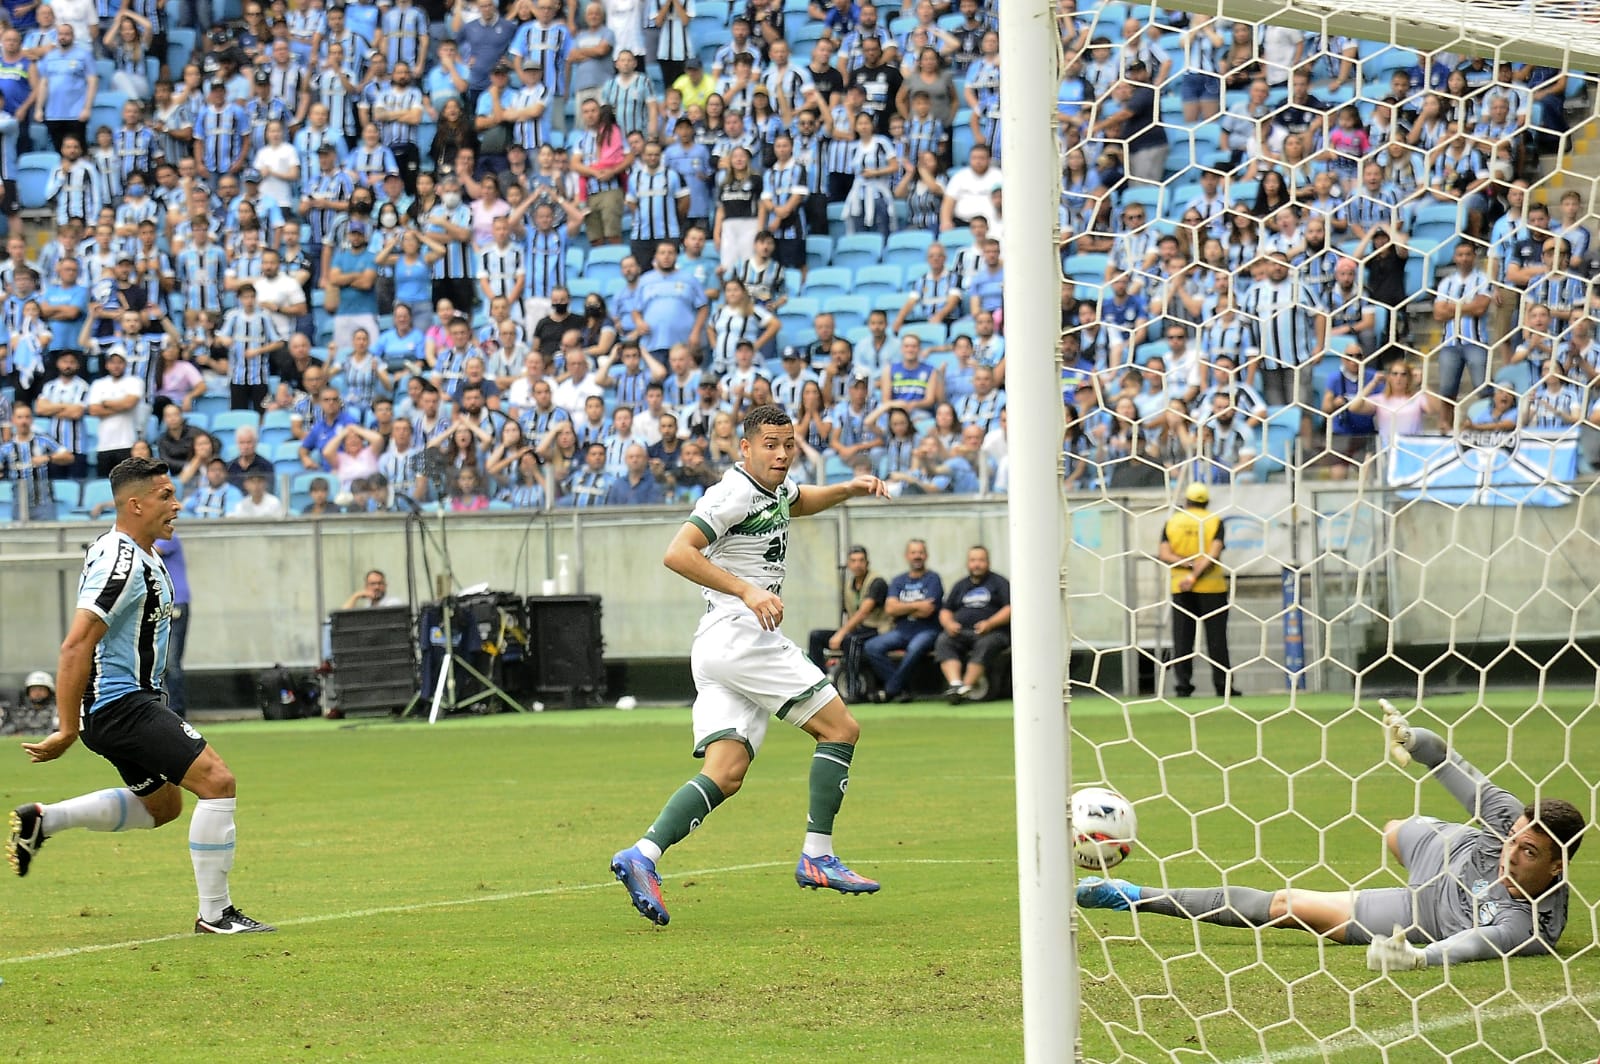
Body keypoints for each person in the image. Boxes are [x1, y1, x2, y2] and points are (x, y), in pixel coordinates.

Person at [610, 404, 890, 926]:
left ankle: (642, 855)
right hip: (743, 634)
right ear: (745, 448)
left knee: (727, 770)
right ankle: (818, 854)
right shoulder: (732, 493)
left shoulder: (774, 490)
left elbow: (802, 501)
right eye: (770, 445)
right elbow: (678, 552)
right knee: (841, 729)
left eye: (788, 444)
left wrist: (850, 489)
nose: (781, 454)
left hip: (719, 644)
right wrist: (747, 589)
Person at [1080, 700, 1586, 972]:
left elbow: (1475, 943)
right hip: (1444, 846)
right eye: (1515, 838)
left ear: (1557, 865)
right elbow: (1447, 762)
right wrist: (1411, 737)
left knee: (1288, 906)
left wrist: (1418, 956)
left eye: (1528, 851)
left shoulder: (1529, 928)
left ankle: (1131, 897)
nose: (1512, 853)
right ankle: (1405, 841)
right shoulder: (1505, 822)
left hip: (1425, 915)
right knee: (1393, 830)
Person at [7, 457, 274, 935]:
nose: (177, 505)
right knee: (218, 781)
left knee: (164, 806)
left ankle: (43, 822)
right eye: (166, 496)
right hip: (121, 704)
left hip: (127, 704)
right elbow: (76, 644)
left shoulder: (137, 551)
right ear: (136, 504)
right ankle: (216, 914)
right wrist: (67, 727)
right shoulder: (122, 561)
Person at [1159, 482, 1234, 699]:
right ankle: (1223, 686)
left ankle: (1183, 686)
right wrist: (1196, 574)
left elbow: (1164, 553)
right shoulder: (1214, 521)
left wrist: (1188, 570)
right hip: (1212, 587)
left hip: (1180, 588)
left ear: (1187, 501)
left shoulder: (1172, 522)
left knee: (1182, 639)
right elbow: (1213, 553)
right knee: (1217, 639)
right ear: (1207, 501)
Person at [862, 538, 946, 703]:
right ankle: (900, 688)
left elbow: (928, 610)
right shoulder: (898, 580)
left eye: (920, 552)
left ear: (926, 555)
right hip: (901, 630)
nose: (917, 556)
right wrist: (917, 605)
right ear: (907, 556)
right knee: (872, 646)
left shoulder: (933, 578)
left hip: (927, 630)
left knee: (915, 649)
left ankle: (890, 689)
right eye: (913, 552)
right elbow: (890, 609)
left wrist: (903, 606)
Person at [805, 546, 890, 702]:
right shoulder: (849, 584)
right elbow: (848, 613)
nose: (857, 564)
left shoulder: (877, 582)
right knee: (816, 636)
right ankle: (821, 683)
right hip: (855, 629)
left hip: (876, 629)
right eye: (853, 561)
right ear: (849, 564)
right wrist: (841, 633)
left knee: (851, 640)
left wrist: (841, 634)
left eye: (861, 561)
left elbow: (863, 612)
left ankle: (852, 691)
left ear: (867, 562)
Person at [934, 545, 1011, 703]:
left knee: (987, 644)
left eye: (981, 560)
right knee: (943, 640)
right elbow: (945, 610)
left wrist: (990, 623)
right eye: (973, 560)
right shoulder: (960, 585)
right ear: (968, 563)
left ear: (988, 562)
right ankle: (955, 685)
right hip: (962, 632)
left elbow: (1010, 608)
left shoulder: (999, 582)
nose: (977, 564)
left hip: (993, 633)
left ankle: (966, 687)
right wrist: (949, 624)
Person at [155, 535, 191, 720]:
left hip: (176, 603)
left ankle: (177, 712)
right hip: (159, 605)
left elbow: (152, 552)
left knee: (171, 662)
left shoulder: (167, 538)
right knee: (159, 661)